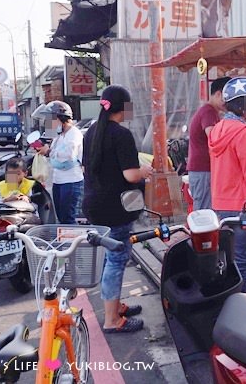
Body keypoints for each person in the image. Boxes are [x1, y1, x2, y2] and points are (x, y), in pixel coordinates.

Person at [82, 85, 153, 334]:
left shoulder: (91, 132)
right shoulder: (121, 134)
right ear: (123, 107)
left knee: (108, 258)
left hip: (94, 205)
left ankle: (115, 306)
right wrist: (144, 171)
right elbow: (131, 174)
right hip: (116, 208)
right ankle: (112, 320)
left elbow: (87, 169)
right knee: (117, 259)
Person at [209, 76, 246, 293]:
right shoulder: (243, 132)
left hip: (221, 205)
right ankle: (241, 308)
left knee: (230, 260)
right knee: (243, 261)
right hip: (245, 206)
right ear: (244, 103)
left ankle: (234, 302)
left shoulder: (217, 130)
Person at [36, 101, 84, 224]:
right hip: (58, 180)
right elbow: (54, 153)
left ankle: (72, 242)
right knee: (61, 217)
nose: (49, 123)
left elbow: (68, 154)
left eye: (51, 119)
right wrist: (45, 151)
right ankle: (66, 242)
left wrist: (50, 150)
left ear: (60, 118)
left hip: (71, 181)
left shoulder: (74, 133)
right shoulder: (59, 135)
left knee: (68, 218)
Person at [187, 77, 228, 210]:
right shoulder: (208, 112)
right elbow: (214, 138)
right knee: (204, 212)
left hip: (202, 169)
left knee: (205, 209)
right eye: (226, 98)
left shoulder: (211, 112)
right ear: (218, 94)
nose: (228, 103)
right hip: (203, 170)